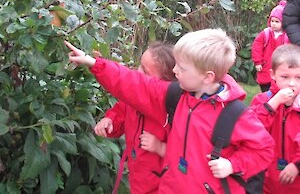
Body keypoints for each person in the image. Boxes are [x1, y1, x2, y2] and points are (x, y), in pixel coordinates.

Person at [65, 28, 274, 194]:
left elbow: (263, 149)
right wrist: (94, 63)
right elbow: (134, 84)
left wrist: (232, 164)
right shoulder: (177, 96)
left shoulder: (234, 114)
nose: (175, 71)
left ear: (207, 76)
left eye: (182, 68)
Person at [94, 42, 176, 194]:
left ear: (164, 83)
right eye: (140, 65)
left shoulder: (170, 111)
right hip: (138, 177)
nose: (137, 72)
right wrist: (110, 121)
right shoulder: (134, 99)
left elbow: (185, 156)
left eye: (145, 71)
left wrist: (159, 147)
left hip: (161, 185)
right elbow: (121, 111)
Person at [250, 44, 300, 193]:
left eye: (299, 77)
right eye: (285, 77)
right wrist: (274, 103)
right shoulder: (263, 100)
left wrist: (297, 165)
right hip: (266, 181)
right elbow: (252, 130)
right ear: (272, 75)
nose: (292, 83)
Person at [251, 0, 290, 92]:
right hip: (266, 66)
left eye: (277, 21)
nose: (274, 24)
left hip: (281, 67)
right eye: (272, 21)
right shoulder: (266, 33)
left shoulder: (287, 36)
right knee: (265, 87)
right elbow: (257, 47)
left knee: (279, 86)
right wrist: (258, 62)